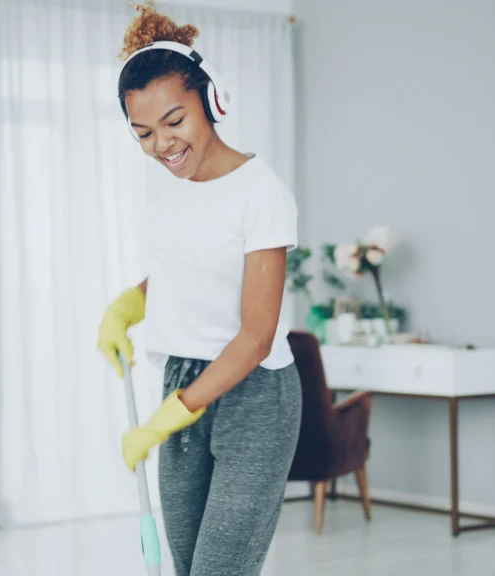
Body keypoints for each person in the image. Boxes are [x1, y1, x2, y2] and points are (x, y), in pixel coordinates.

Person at [96, 4, 303, 575]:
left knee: (219, 571)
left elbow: (257, 335)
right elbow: (182, 271)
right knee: (187, 568)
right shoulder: (169, 190)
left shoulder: (260, 193)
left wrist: (167, 418)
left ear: (212, 102)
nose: (162, 144)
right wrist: (130, 305)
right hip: (182, 380)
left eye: (174, 121)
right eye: (143, 132)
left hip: (253, 397)